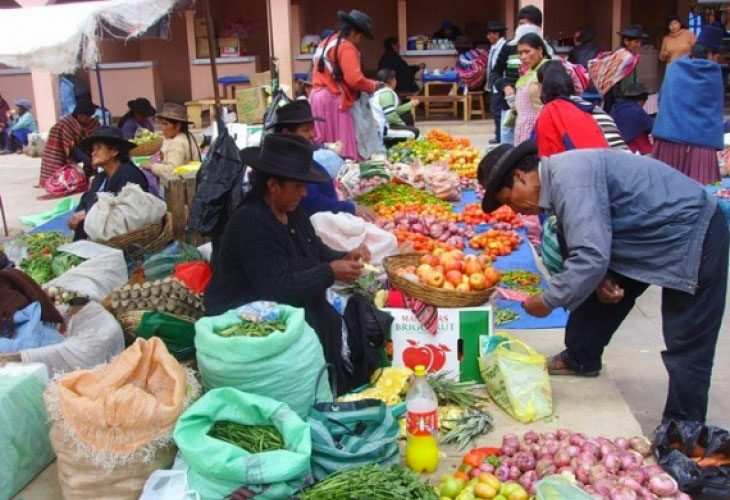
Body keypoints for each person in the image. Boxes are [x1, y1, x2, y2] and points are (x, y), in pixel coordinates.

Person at [478, 141, 728, 424]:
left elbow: (590, 256)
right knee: (594, 291)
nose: (516, 211)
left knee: (687, 336)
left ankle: (684, 429)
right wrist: (601, 279)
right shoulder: (557, 180)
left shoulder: (570, 180)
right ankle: (580, 356)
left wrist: (548, 300)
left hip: (693, 229)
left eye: (510, 200)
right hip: (639, 233)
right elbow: (582, 247)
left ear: (521, 176)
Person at [204, 133, 371, 394]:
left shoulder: (292, 211)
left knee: (332, 317)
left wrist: (343, 256)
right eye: (297, 186)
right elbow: (277, 287)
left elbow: (315, 248)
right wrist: (330, 272)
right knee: (319, 320)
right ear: (273, 185)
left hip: (283, 303)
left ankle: (333, 384)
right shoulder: (252, 222)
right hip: (246, 314)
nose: (304, 193)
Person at [267, 100, 376, 220]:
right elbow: (312, 202)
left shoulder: (303, 158)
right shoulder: (289, 165)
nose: (312, 134)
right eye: (306, 130)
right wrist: (351, 208)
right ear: (287, 133)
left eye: (312, 129)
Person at [652, 24, 725, 185]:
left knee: (663, 191)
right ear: (711, 53)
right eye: (717, 56)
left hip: (668, 139)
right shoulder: (713, 72)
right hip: (700, 144)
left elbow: (662, 99)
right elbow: (715, 109)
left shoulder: (674, 68)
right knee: (701, 195)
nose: (716, 60)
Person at [310, 9, 383, 160]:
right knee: (343, 148)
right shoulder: (347, 47)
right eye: (361, 37)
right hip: (334, 100)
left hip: (317, 98)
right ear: (354, 32)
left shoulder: (326, 42)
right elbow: (355, 80)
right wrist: (373, 85)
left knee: (325, 146)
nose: (359, 41)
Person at [69, 127, 149, 241]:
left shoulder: (129, 175)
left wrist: (88, 214)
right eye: (92, 149)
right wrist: (78, 215)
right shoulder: (100, 178)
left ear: (114, 151)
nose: (93, 153)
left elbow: (125, 215)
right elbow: (86, 200)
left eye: (98, 147)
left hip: (124, 239)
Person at [491, 5, 552, 145]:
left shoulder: (545, 49)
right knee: (508, 149)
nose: (523, 56)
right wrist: (505, 86)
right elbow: (495, 73)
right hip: (510, 108)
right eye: (521, 25)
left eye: (528, 25)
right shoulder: (508, 46)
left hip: (536, 111)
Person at [534, 61, 608, 157]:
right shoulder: (590, 108)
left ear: (542, 86)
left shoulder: (551, 110)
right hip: (607, 162)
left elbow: (546, 155)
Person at [38, 99, 100, 187]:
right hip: (62, 149)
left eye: (90, 116)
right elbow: (71, 147)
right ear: (79, 115)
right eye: (86, 116)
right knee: (62, 179)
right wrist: (88, 161)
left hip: (81, 147)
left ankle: (90, 176)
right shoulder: (67, 124)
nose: (88, 119)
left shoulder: (92, 123)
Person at [589, 24, 646, 113]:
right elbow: (625, 86)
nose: (639, 45)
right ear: (626, 41)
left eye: (640, 42)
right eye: (636, 42)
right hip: (618, 101)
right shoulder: (626, 58)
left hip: (613, 98)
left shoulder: (622, 53)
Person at [140, 103, 200, 178]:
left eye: (166, 124)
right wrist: (165, 157)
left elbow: (172, 170)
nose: (162, 128)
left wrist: (151, 166)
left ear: (178, 126)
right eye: (162, 124)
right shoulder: (188, 136)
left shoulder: (177, 142)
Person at [512, 32, 551, 144]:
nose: (523, 57)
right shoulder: (529, 70)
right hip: (523, 127)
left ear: (540, 50)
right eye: (520, 53)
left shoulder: (548, 69)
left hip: (538, 128)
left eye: (527, 52)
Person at [371, 68, 420, 143]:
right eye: (395, 79)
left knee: (407, 115)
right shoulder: (386, 93)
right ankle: (390, 144)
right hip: (381, 129)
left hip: (383, 123)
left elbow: (394, 110)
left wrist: (410, 104)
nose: (396, 81)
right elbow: (391, 116)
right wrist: (404, 126)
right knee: (414, 132)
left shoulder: (381, 91)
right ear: (391, 80)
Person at [610, 82, 654, 154]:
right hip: (632, 150)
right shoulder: (638, 112)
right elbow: (652, 128)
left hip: (614, 147)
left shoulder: (615, 108)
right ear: (642, 99)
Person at [486, 21, 507, 144]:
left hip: (500, 84)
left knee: (497, 111)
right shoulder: (494, 47)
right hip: (494, 84)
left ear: (497, 34)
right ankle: (499, 135)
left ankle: (500, 136)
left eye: (490, 34)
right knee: (496, 111)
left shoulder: (504, 46)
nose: (488, 37)